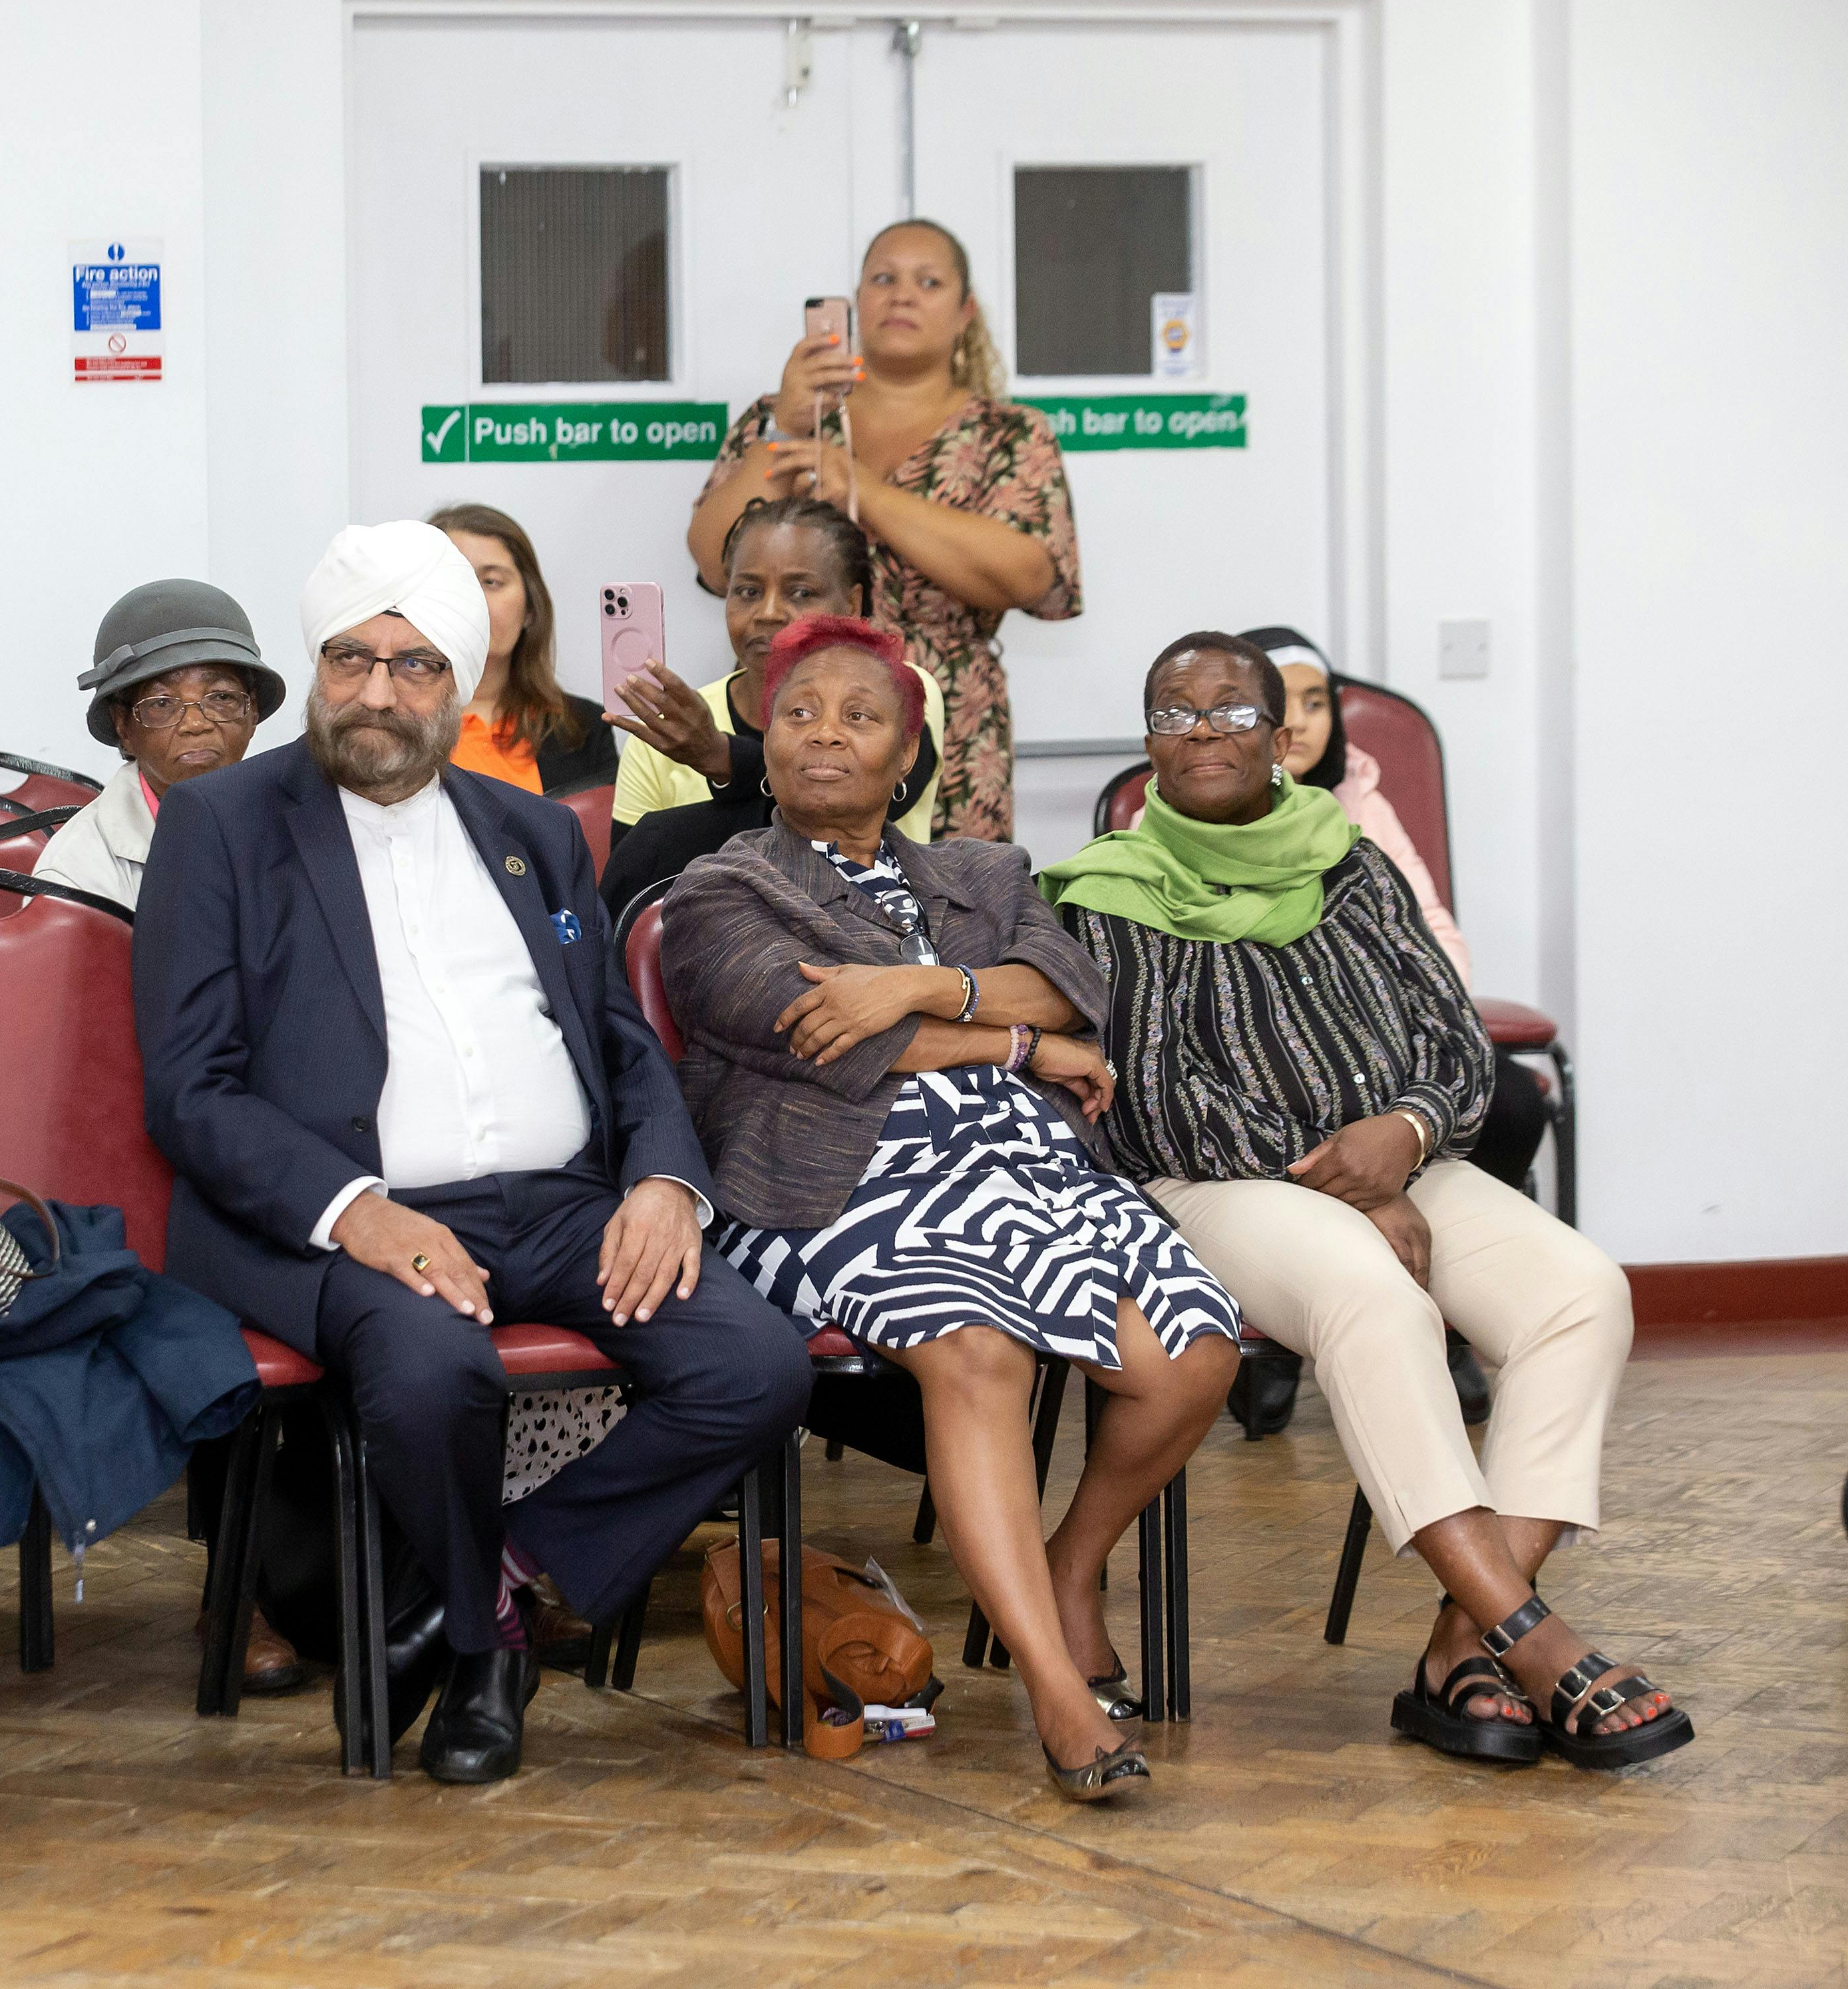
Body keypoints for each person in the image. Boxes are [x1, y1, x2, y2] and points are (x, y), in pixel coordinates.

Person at [134, 520, 814, 1785]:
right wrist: (359, 1212)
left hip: (559, 1207)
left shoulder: (534, 831)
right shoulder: (224, 824)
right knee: (432, 1370)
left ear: (459, 680)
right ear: (319, 668)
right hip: (348, 1217)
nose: (378, 693)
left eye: (414, 664)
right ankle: (487, 1654)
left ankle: (493, 1593)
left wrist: (665, 1180)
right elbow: (192, 1089)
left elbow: (618, 1038)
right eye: (351, 660)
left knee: (755, 1363)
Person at [1045, 632, 1693, 1771]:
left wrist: (1405, 1135)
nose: (1203, 730)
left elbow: (1453, 1036)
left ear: (1283, 738)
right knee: (1373, 1294)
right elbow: (1156, 1101)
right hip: (1213, 1188)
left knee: (1580, 1292)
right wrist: (1348, 1185)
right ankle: (1533, 1640)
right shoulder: (1109, 890)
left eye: (1233, 711)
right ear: (1148, 743)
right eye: (1175, 711)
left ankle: (1462, 1641)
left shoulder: (1350, 863)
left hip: (1398, 1165)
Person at [663, 616, 1236, 1800]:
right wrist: (1017, 1039)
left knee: (1193, 1355)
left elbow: (1077, 993)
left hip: (1032, 1172)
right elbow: (816, 1037)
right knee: (975, 1355)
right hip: (838, 1183)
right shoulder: (722, 891)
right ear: (763, 737)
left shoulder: (986, 873)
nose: (827, 732)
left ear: (907, 755)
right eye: (803, 711)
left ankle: (1069, 1567)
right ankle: (1057, 1692)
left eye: (860, 716)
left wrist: (922, 987)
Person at [687, 220, 1080, 841]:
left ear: (964, 312)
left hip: (948, 720)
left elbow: (1024, 574)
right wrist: (788, 425)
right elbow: (714, 560)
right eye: (883, 279)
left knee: (951, 920)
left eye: (928, 282)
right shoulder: (785, 418)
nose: (902, 295)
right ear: (856, 301)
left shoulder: (1011, 434)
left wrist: (861, 488)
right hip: (797, 721)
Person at [1243, 625, 1553, 1194]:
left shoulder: (1363, 800)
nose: (1304, 721)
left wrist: (1431, 1013)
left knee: (1509, 1103)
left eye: (1317, 703)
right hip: (1273, 1045)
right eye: (1284, 702)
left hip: (1387, 1028)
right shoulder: (1195, 810)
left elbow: (1431, 926)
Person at [600, 498, 946, 916]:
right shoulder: (666, 730)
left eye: (800, 592)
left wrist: (722, 758)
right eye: (747, 591)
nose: (768, 613)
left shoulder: (898, 691)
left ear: (853, 604)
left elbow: (851, 811)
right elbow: (633, 901)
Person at [39, 580, 287, 915]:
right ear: (123, 726)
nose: (196, 724)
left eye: (221, 698)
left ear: (252, 711)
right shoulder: (76, 872)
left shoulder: (306, 825)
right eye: (161, 705)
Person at [428, 505, 618, 797]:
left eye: (491, 582)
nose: (474, 600)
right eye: (456, 580)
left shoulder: (585, 729)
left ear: (530, 608)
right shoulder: (390, 720)